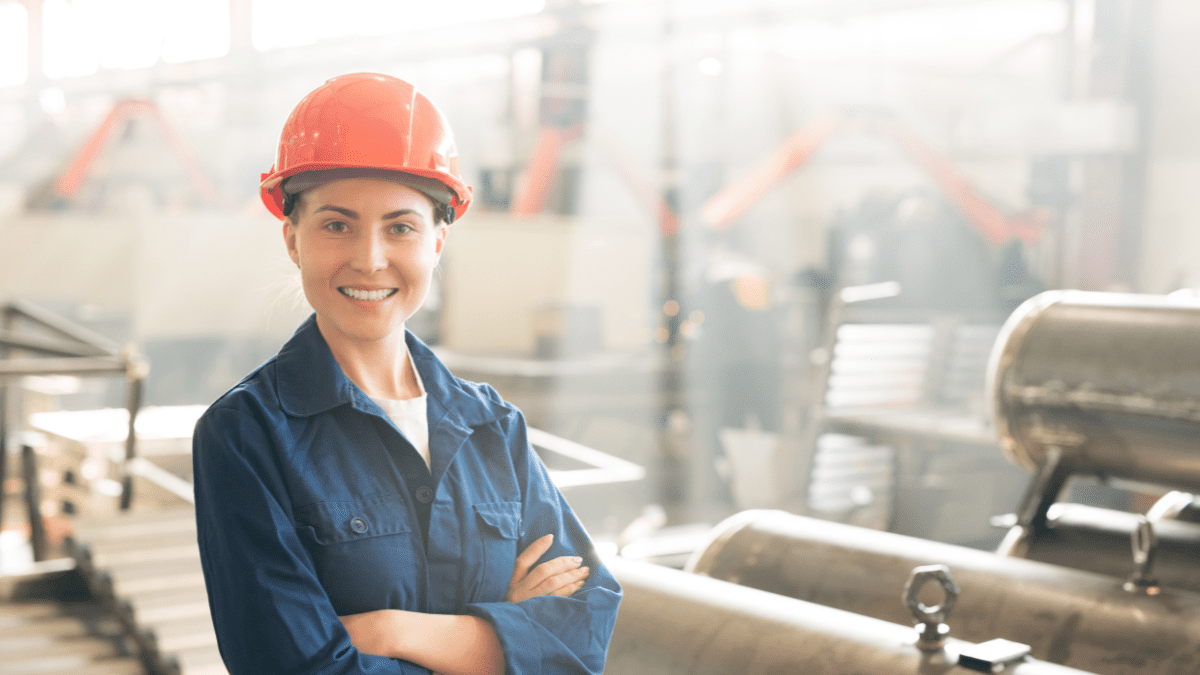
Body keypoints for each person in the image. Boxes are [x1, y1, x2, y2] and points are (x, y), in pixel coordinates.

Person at [193, 72, 621, 675]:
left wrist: (392, 631)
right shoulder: (246, 435)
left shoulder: (492, 426)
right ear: (293, 238)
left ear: (438, 241)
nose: (369, 259)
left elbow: (583, 633)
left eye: (401, 227)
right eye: (336, 224)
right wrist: (503, 639)